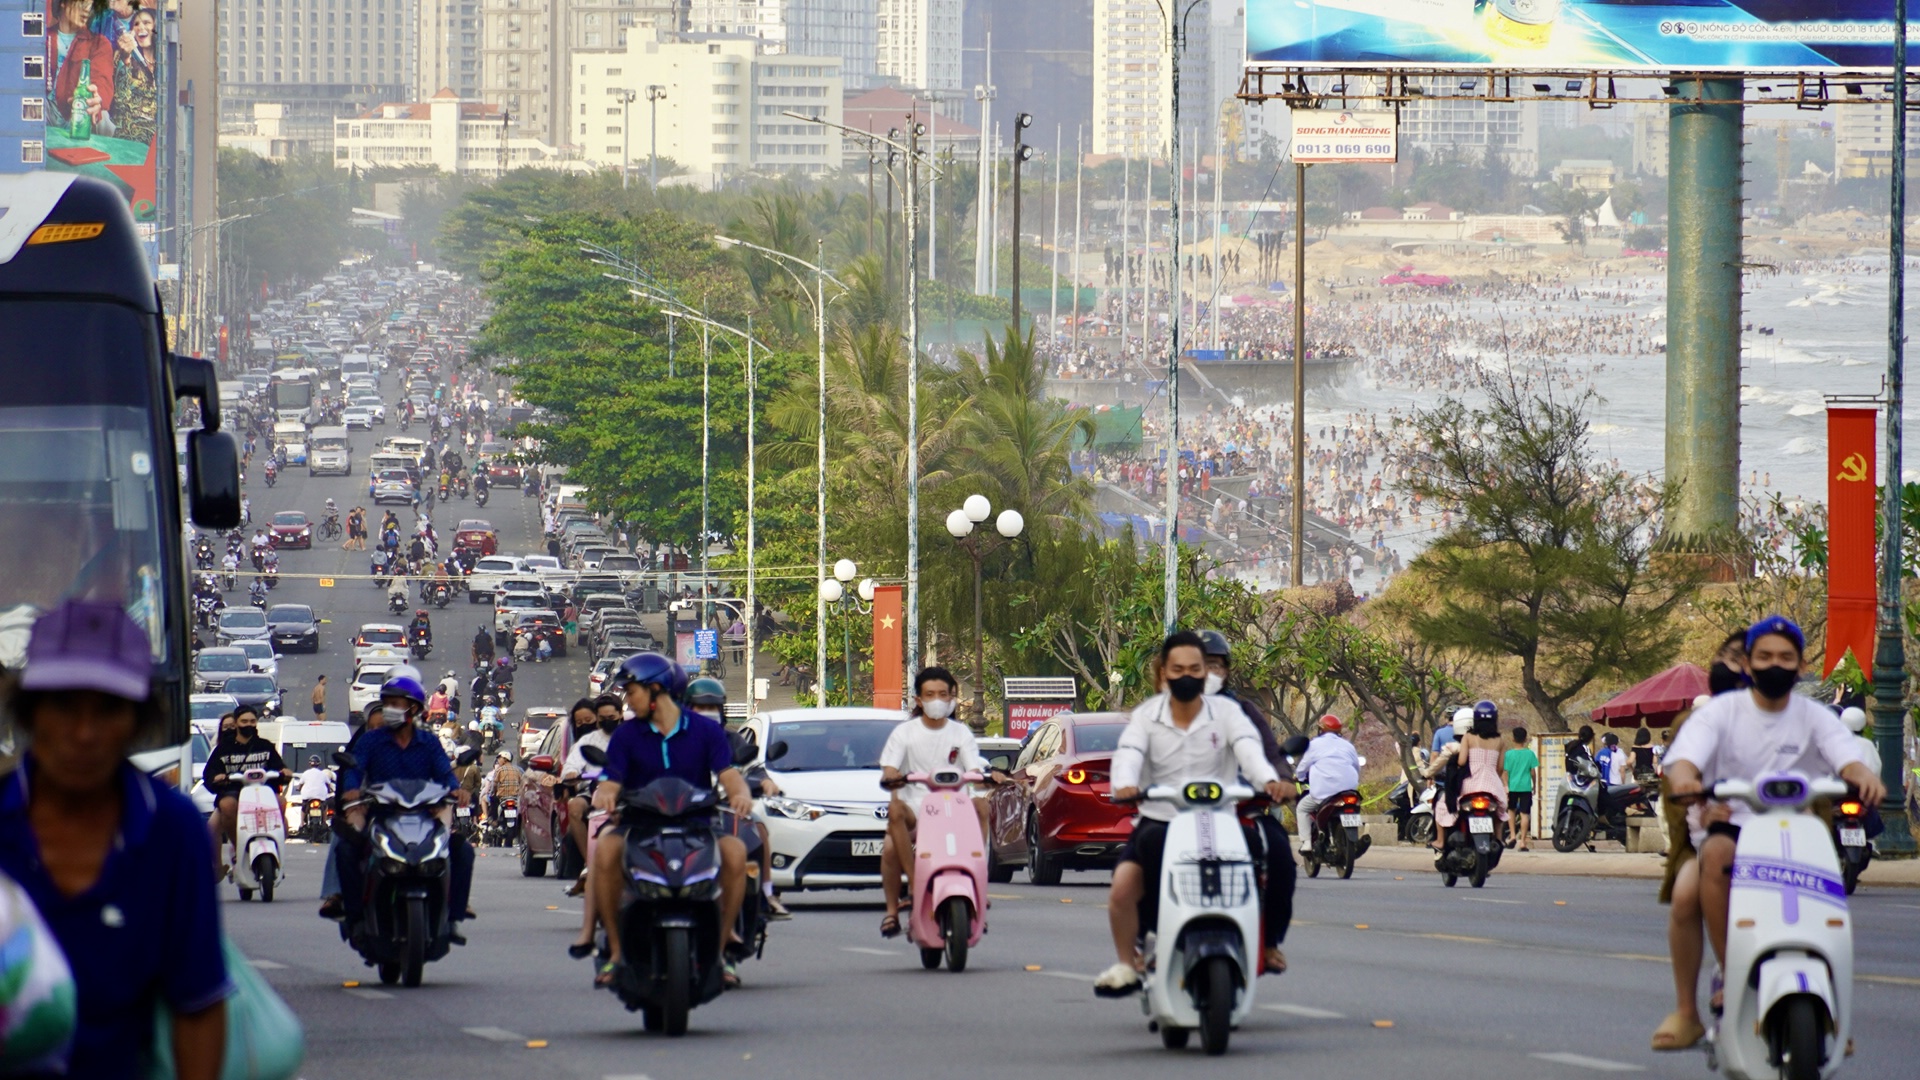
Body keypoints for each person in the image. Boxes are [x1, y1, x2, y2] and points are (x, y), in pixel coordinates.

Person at [0, 600, 229, 1078]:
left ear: (136, 721)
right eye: (64, 706)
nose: (84, 733)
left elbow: (198, 1005)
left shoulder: (173, 831)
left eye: (108, 710)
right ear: (30, 712)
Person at [1650, 616, 1884, 1052]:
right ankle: (1724, 976)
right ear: (1749, 665)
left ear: (1801, 664)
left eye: (1785, 657)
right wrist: (1686, 781)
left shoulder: (1815, 716)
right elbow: (1684, 762)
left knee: (1827, 888)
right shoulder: (1716, 714)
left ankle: (1827, 1003)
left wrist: (1860, 776)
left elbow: (1846, 756)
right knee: (1709, 866)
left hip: (1799, 833)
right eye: (1763, 657)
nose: (1774, 665)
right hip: (1729, 829)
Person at [1096, 631, 1290, 996]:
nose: (1188, 675)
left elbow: (1250, 750)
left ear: (1209, 672)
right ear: (1163, 673)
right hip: (1159, 822)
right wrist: (1124, 783)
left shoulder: (1231, 712)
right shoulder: (1145, 716)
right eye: (1178, 669)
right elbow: (1129, 754)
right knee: (1123, 889)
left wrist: (1270, 781)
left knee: (1266, 853)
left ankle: (1259, 938)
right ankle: (1129, 961)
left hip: (1221, 820)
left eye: (1197, 668)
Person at [589, 653, 752, 989]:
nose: (626, 699)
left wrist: (740, 795)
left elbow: (727, 773)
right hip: (638, 825)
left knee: (736, 853)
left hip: (698, 825)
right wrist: (604, 794)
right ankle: (616, 951)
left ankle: (722, 950)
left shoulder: (706, 731)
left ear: (656, 690)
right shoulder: (626, 735)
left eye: (631, 691)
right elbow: (612, 778)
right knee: (605, 850)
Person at [336, 673, 477, 938]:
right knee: (346, 850)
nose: (389, 709)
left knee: (462, 852)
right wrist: (351, 790)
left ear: (414, 709)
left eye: (396, 703)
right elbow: (355, 768)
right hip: (381, 814)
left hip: (423, 816)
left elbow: (445, 775)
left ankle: (453, 918)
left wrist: (458, 791)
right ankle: (355, 918)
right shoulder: (371, 740)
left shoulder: (429, 743)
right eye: (386, 703)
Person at [1195, 629, 1298, 971]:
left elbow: (1269, 753)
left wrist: (1283, 781)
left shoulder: (1244, 712)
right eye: (1198, 665)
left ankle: (1268, 944)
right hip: (1182, 814)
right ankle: (1149, 939)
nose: (1208, 673)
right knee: (1142, 860)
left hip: (1242, 811)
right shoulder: (1165, 712)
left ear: (1226, 670)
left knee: (1280, 856)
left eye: (1214, 665)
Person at [877, 667, 992, 939]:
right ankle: (898, 905)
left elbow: (974, 771)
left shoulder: (961, 733)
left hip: (954, 809)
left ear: (951, 697)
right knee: (891, 839)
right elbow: (889, 769)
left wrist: (988, 778)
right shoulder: (904, 734)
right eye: (930, 694)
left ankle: (977, 886)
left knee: (982, 807)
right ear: (919, 699)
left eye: (943, 694)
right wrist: (893, 775)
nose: (937, 700)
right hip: (916, 809)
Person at [202, 704, 288, 859]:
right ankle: (238, 847)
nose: (249, 725)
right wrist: (217, 778)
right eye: (244, 721)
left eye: (252, 721)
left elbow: (279, 767)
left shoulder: (265, 745)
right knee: (227, 806)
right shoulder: (223, 749)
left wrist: (284, 772)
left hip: (263, 791)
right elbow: (209, 774)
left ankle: (276, 843)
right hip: (234, 791)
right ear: (236, 723)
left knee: (281, 802)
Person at [1427, 700, 1509, 847]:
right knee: (1499, 811)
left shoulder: (1469, 737)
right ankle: (1498, 838)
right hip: (1492, 785)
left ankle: (1440, 841)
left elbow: (1462, 762)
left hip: (1471, 784)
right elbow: (1500, 768)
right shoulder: (1500, 740)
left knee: (1441, 805)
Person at [558, 698, 616, 901]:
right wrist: (572, 773)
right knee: (575, 806)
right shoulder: (586, 742)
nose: (607, 721)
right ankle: (589, 863)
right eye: (579, 723)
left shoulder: (631, 736)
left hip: (627, 793)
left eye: (612, 717)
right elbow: (570, 767)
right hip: (594, 792)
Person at [1293, 713, 1362, 856]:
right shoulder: (1348, 745)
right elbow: (1356, 767)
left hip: (1325, 792)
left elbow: (1303, 766)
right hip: (1349, 790)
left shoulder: (1314, 744)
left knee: (1302, 808)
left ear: (1321, 730)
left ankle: (1306, 843)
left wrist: (1298, 777)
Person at [48, 0, 114, 131]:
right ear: (63, 3)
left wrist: (96, 97)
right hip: (45, 110)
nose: (87, 9)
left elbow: (101, 79)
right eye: (83, 2)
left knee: (103, 119)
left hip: (78, 110)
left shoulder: (99, 43)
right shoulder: (41, 37)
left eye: (91, 4)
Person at [1504, 727, 1540, 851]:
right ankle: (1523, 842)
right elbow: (1533, 772)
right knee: (1525, 814)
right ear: (1525, 739)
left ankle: (1513, 836)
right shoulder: (1530, 754)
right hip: (1525, 787)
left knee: (1511, 810)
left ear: (1513, 738)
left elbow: (1505, 772)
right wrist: (1534, 785)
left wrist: (1506, 786)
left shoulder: (1508, 754)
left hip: (1512, 787)